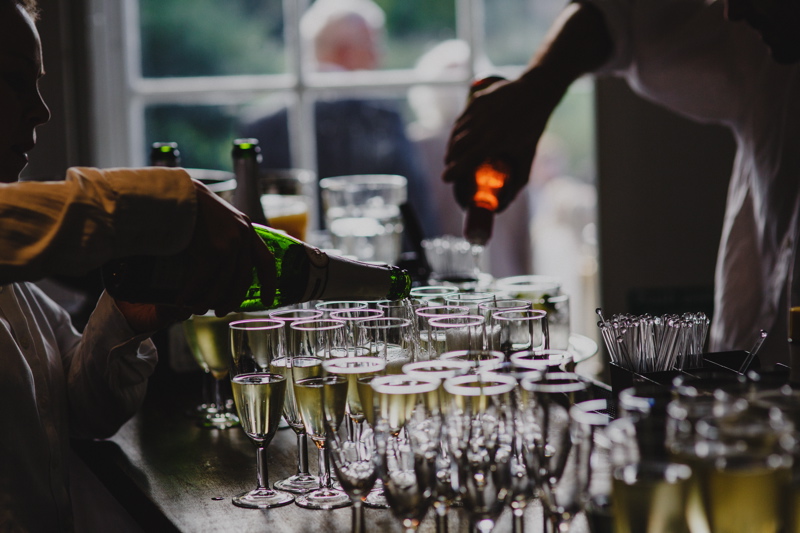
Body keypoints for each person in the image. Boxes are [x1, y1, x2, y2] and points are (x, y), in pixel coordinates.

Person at [0, 1, 276, 530]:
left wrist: (126, 315)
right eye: (13, 82)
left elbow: (83, 411)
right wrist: (174, 206)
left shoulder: (18, 285)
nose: (42, 111)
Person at [443, 0, 800, 364]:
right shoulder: (760, 49)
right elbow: (623, 17)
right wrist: (534, 92)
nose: (732, 11)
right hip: (742, 401)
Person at [241, 0, 439, 236]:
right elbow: (414, 207)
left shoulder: (260, 122)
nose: (380, 56)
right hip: (372, 261)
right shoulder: (382, 115)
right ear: (347, 51)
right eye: (374, 45)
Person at [407, 39, 533, 278]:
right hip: (454, 283)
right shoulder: (421, 148)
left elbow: (522, 236)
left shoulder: (506, 152)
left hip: (488, 282)